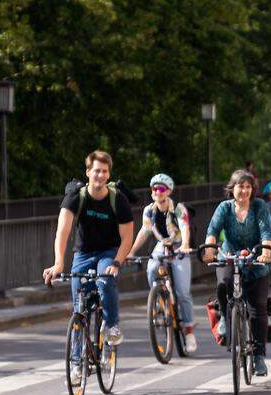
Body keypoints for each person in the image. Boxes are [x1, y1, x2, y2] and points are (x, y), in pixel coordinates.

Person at [43, 151, 135, 346]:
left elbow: (127, 237)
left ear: (108, 174)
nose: (100, 175)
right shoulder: (75, 197)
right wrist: (59, 262)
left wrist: (117, 262)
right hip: (83, 253)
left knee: (105, 279)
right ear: (88, 172)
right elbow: (62, 232)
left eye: (104, 171)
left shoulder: (118, 199)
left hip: (109, 251)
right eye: (96, 171)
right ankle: (76, 361)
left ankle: (111, 325)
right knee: (79, 309)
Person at [203, 170, 271, 376]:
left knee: (257, 307)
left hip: (256, 259)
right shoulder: (224, 208)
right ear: (232, 188)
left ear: (252, 190)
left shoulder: (259, 206)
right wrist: (209, 250)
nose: (243, 190)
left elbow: (266, 232)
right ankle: (226, 318)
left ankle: (259, 356)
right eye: (240, 186)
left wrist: (267, 251)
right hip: (230, 255)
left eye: (247, 187)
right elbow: (212, 231)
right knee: (223, 284)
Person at [126, 174, 197, 353]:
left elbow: (184, 226)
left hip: (179, 245)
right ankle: (158, 299)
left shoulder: (178, 208)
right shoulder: (149, 210)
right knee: (151, 267)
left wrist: (186, 245)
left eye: (162, 189)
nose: (157, 192)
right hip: (162, 245)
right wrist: (132, 252)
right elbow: (144, 231)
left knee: (182, 292)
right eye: (154, 189)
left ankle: (189, 331)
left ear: (169, 192)